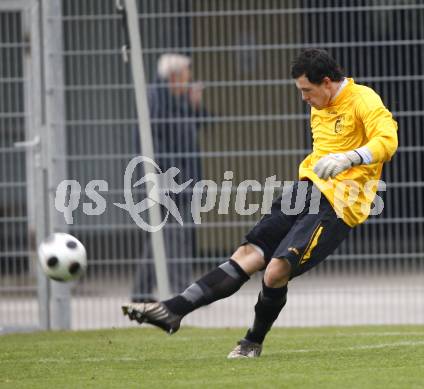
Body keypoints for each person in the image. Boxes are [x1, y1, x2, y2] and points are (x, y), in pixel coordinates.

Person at [123, 48, 398, 358]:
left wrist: (350, 157)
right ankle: (173, 309)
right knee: (248, 254)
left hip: (339, 206)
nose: (303, 98)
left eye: (306, 90)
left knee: (275, 271)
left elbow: (388, 140)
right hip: (306, 191)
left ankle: (252, 341)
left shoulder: (363, 99)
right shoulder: (318, 103)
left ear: (326, 83)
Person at [131, 54, 208, 302]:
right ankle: (184, 292)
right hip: (164, 178)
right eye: (187, 75)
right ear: (174, 77)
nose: (189, 80)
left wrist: (195, 105)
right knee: (174, 234)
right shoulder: (156, 99)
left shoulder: (177, 100)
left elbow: (201, 124)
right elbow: (150, 140)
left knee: (162, 233)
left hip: (180, 176)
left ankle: (141, 292)